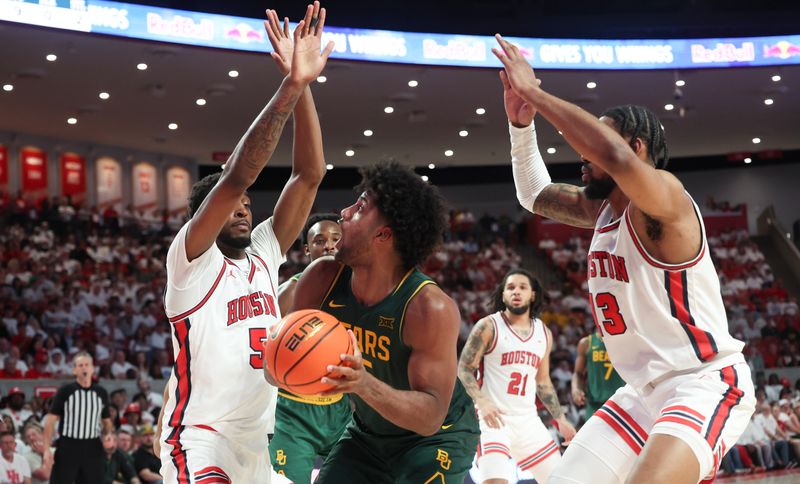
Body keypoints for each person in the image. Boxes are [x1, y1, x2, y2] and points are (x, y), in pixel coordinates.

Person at [493, 35, 756, 484]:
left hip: (703, 382)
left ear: (634, 147)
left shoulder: (665, 199)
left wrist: (536, 92)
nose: (582, 153)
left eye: (596, 144)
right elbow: (533, 194)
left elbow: (609, 155)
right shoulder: (602, 210)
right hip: (639, 394)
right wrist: (522, 126)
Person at [155, 3, 334, 483]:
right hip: (201, 439)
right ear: (202, 217)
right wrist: (288, 85)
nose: (242, 208)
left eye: (249, 206)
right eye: (231, 205)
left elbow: (309, 175)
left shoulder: (263, 253)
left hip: (259, 443)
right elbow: (236, 178)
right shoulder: (189, 260)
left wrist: (307, 87)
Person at [283, 161, 480, 483]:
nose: (344, 213)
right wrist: (285, 364)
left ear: (383, 235)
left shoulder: (429, 307)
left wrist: (363, 384)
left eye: (360, 207)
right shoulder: (321, 278)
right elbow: (279, 367)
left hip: (437, 438)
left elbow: (430, 416)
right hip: (368, 433)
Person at [458, 269, 576, 483]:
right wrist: (482, 402)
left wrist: (560, 419)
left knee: (562, 479)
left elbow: (543, 382)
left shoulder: (543, 333)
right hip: (492, 420)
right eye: (510, 287)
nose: (516, 291)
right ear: (503, 295)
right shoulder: (488, 326)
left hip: (528, 421)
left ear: (532, 295)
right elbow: (464, 368)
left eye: (522, 287)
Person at [270, 213, 349, 483]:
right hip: (294, 410)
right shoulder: (288, 293)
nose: (329, 245)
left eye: (336, 239)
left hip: (343, 408)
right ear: (306, 249)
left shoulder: (363, 291)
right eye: (319, 240)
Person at [42, 351, 113, 484]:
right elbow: (50, 421)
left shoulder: (101, 392)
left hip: (93, 445)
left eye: (87, 365)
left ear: (92, 369)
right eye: (80, 365)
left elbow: (107, 420)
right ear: (74, 370)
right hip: (68, 444)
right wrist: (46, 449)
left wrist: (109, 433)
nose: (84, 368)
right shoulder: (65, 391)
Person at [572, 329, 626, 422]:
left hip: (622, 405)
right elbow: (578, 373)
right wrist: (576, 389)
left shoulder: (625, 341)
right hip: (595, 405)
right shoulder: (587, 342)